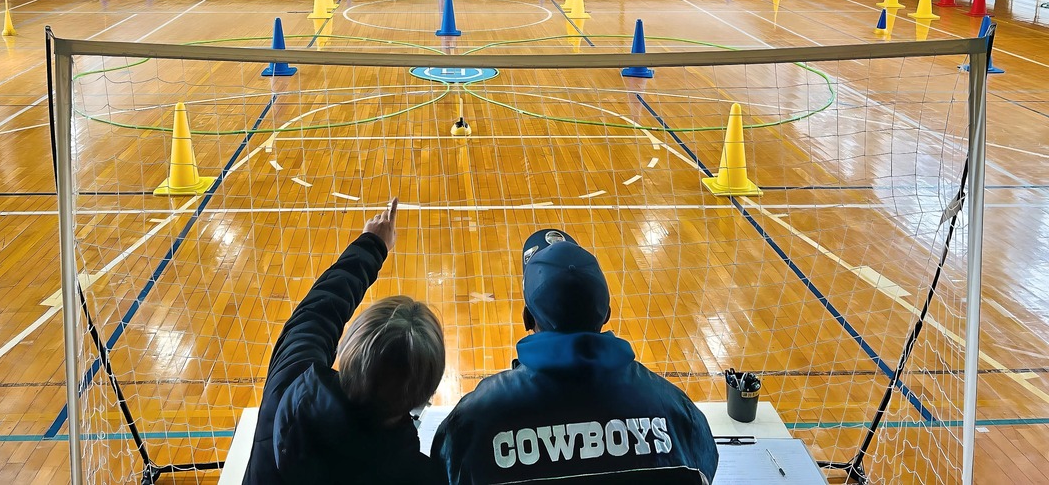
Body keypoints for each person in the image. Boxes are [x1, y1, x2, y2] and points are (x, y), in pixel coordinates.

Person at [432, 229, 719, 485]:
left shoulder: (472, 421)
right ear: (606, 314)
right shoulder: (678, 413)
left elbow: (442, 470)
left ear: (527, 318)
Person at [245, 199, 446, 485]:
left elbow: (318, 311)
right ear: (424, 395)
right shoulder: (420, 475)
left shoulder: (289, 384)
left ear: (349, 347)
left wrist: (373, 244)